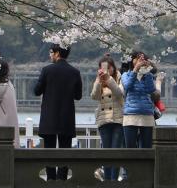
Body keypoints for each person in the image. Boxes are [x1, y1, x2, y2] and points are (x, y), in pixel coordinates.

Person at [34, 43, 82, 178]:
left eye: (51, 52)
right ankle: (62, 180)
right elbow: (78, 96)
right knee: (65, 151)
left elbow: (37, 91)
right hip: (66, 117)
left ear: (57, 53)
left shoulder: (47, 70)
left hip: (49, 117)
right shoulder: (75, 72)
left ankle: (50, 179)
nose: (50, 55)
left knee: (49, 151)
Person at [91, 55, 124, 180]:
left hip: (117, 119)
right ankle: (107, 180)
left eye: (109, 68)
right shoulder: (98, 79)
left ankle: (113, 180)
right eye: (103, 68)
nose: (106, 70)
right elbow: (94, 96)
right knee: (106, 151)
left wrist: (109, 79)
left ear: (113, 68)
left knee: (115, 151)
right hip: (104, 119)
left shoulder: (120, 77)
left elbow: (119, 93)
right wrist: (99, 81)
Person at [121, 51, 158, 148]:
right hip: (130, 115)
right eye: (137, 58)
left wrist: (148, 72)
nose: (140, 61)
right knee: (130, 147)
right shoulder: (126, 75)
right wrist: (136, 70)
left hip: (146, 113)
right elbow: (127, 86)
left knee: (146, 148)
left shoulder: (147, 75)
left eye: (142, 59)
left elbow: (151, 89)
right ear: (132, 60)